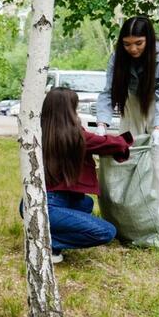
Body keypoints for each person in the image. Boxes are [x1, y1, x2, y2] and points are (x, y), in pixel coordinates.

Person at [95, 15, 159, 249]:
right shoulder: (117, 57)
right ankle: (127, 222)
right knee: (126, 158)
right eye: (127, 44)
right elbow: (107, 92)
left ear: (149, 40)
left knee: (158, 165)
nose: (132, 49)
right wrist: (102, 123)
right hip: (132, 104)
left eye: (138, 43)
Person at [25, 87, 133, 264]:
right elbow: (112, 144)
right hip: (50, 206)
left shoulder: (37, 132)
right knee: (106, 232)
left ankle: (44, 235)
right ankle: (44, 243)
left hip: (33, 201)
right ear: (69, 110)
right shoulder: (75, 136)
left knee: (86, 203)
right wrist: (133, 139)